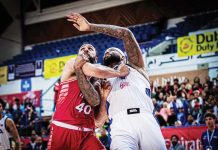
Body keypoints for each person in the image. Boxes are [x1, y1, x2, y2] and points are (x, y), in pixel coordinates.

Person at [67, 12, 166, 150]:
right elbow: (99, 122)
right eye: (106, 52)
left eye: (113, 50)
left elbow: (126, 33)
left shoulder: (136, 66)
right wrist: (103, 97)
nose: (108, 51)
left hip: (146, 118)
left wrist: (90, 26)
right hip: (120, 125)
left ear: (124, 57)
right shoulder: (102, 80)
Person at [47, 42, 129, 150]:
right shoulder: (72, 63)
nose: (85, 49)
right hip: (63, 130)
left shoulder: (98, 83)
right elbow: (95, 70)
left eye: (90, 48)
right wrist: (118, 72)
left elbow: (98, 122)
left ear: (96, 57)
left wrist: (104, 98)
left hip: (87, 135)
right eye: (82, 48)